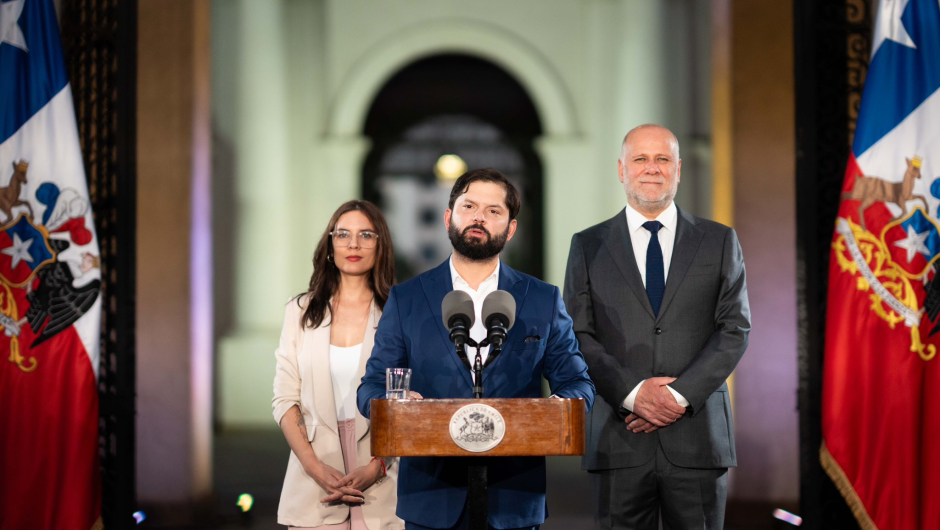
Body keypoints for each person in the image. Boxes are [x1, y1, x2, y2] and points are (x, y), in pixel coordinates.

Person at [357, 168, 596, 530]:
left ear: (510, 229)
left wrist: (554, 410)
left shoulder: (542, 299)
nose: (479, 217)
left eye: (493, 210)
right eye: (468, 207)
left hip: (513, 498)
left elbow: (578, 384)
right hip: (431, 497)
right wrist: (397, 405)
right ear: (448, 218)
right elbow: (372, 387)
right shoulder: (407, 299)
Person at [563, 124, 750, 530]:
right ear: (621, 169)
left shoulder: (719, 240)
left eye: (663, 159)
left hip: (698, 438)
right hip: (618, 437)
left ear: (678, 169)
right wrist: (633, 395)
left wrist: (675, 398)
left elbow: (734, 329)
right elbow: (577, 336)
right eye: (641, 159)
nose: (652, 168)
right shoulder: (587, 245)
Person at [273, 200, 405, 530]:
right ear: (330, 245)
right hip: (313, 476)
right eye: (343, 234)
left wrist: (378, 465)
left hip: (383, 478)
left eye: (366, 235)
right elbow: (285, 398)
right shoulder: (299, 311)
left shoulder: (400, 313)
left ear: (381, 245)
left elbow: (405, 403)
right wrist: (313, 466)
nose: (353, 244)